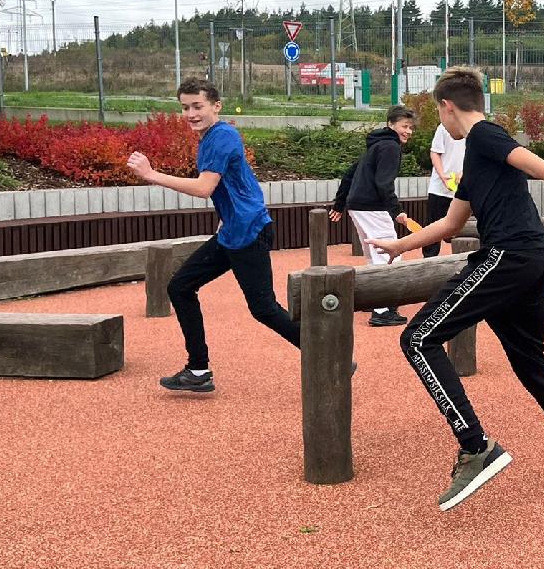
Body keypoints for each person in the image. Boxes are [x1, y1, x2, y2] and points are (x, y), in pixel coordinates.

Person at [367, 67, 544, 512]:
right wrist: (399, 245)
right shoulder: (476, 157)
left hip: (509, 257)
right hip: (533, 259)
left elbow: (534, 163)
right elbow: (452, 223)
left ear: (447, 106)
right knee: (531, 365)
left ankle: (475, 446)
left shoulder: (485, 135)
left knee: (418, 339)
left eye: (438, 114)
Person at [127, 78, 300, 393]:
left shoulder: (222, 136)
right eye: (185, 108)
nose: (191, 114)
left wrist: (151, 175)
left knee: (263, 308)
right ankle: (198, 370)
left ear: (216, 106)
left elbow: (204, 187)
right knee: (180, 286)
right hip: (234, 230)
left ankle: (331, 353)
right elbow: (238, 183)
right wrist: (226, 217)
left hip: (248, 232)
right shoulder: (211, 137)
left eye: (197, 106)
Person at [330, 104, 416, 328]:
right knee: (390, 253)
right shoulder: (390, 147)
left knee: (372, 253)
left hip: (358, 205)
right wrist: (397, 211)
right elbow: (383, 183)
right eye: (404, 126)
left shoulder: (376, 143)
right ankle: (382, 311)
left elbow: (350, 174)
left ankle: (374, 298)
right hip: (373, 206)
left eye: (411, 127)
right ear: (391, 124)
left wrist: (340, 204)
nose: (408, 131)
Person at [425, 116, 467, 256]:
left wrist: (465, 173)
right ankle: (428, 262)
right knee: (433, 232)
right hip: (439, 189)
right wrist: (443, 175)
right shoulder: (443, 127)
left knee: (464, 231)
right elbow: (435, 152)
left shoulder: (472, 129)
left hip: (463, 190)